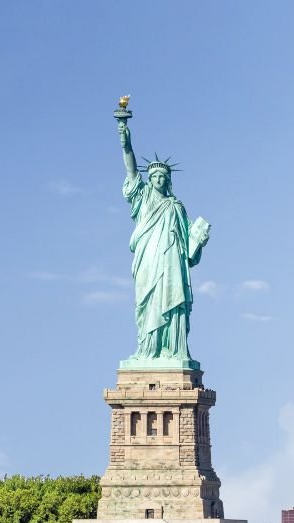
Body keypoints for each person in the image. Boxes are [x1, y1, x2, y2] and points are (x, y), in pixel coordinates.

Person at [118, 118, 210, 362]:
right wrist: (126, 143)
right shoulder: (143, 197)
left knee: (172, 301)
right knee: (147, 303)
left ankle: (173, 349)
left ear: (168, 181)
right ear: (149, 179)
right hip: (148, 258)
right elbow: (130, 168)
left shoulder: (176, 206)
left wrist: (199, 239)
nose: (158, 180)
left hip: (171, 263)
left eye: (162, 177)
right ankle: (147, 350)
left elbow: (188, 243)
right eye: (154, 176)